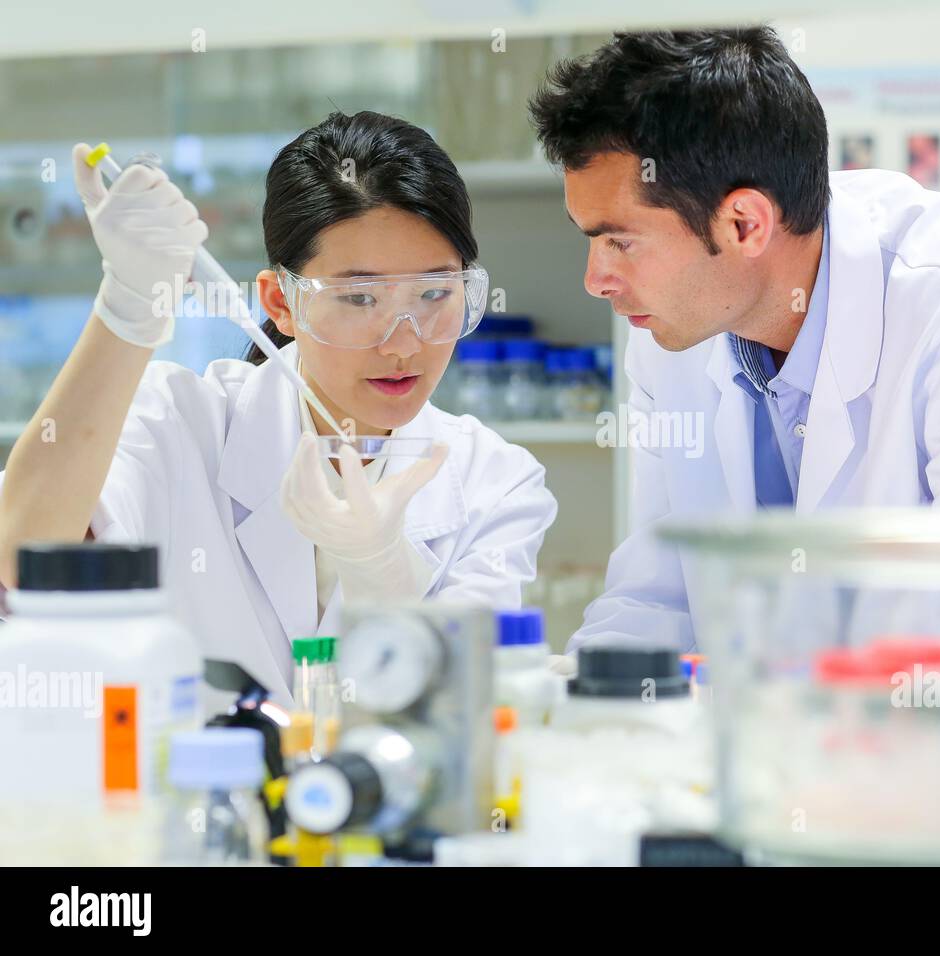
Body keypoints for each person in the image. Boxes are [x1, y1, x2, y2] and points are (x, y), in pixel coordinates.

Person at [528, 28, 940, 653]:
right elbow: (658, 598)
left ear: (744, 224)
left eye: (619, 242)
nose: (596, 281)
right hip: (838, 744)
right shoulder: (677, 330)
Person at [0, 111, 558, 702]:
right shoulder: (179, 425)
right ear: (280, 303)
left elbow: (464, 719)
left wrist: (383, 574)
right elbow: (17, 561)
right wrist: (129, 306)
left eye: (433, 294)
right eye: (359, 297)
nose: (403, 342)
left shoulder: (495, 481)